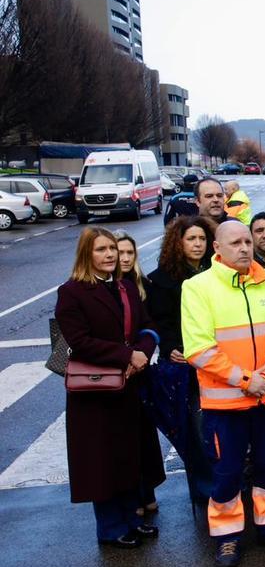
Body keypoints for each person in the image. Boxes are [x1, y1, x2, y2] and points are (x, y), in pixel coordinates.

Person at [181, 221, 265, 567]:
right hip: (225, 403)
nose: (245, 248)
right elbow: (199, 348)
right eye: (236, 243)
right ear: (217, 248)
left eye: (248, 241)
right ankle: (227, 537)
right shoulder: (198, 287)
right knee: (227, 471)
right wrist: (246, 379)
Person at [55, 227, 162, 549]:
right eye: (101, 249)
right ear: (87, 254)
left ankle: (132, 518)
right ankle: (110, 527)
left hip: (129, 385)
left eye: (112, 249)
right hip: (95, 393)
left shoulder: (126, 287)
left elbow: (148, 326)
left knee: (130, 456)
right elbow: (79, 341)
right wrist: (128, 354)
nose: (110, 255)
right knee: (102, 462)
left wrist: (142, 351)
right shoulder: (72, 292)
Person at [146, 216, 215, 505]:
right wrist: (172, 345)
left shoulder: (217, 271)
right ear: (178, 243)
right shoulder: (161, 279)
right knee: (194, 430)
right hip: (183, 365)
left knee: (216, 429)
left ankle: (227, 483)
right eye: (191, 239)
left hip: (215, 359)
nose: (198, 244)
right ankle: (205, 489)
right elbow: (160, 320)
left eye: (202, 239)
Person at [113, 231, 147, 301]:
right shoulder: (104, 285)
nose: (126, 259)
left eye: (130, 252)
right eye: (120, 253)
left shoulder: (144, 284)